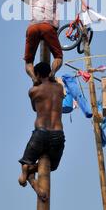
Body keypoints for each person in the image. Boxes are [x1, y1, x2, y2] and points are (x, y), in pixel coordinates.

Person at [18, 62, 65, 201]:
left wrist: (35, 82)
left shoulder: (33, 91)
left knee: (25, 164)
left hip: (40, 133)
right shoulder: (59, 88)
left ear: (37, 75)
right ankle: (30, 173)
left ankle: (30, 178)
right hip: (57, 134)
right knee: (53, 166)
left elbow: (34, 108)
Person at [24, 0, 65, 85]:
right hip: (47, 27)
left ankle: (34, 78)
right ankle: (52, 73)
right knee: (58, 57)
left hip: (32, 28)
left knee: (28, 62)